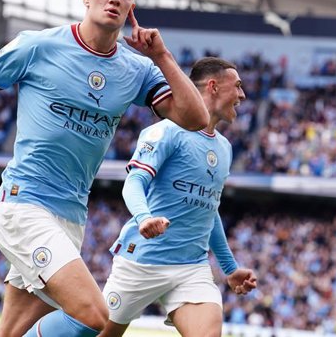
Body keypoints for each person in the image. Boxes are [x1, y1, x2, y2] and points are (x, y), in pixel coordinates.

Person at [0, 0, 209, 337]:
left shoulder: (137, 69)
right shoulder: (39, 45)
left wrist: (162, 56)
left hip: (71, 217)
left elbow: (195, 119)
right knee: (95, 318)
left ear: (132, 9)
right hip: (24, 204)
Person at [100, 57, 257, 337]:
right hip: (143, 261)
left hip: (190, 268)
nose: (242, 95)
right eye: (238, 86)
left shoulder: (224, 148)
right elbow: (133, 182)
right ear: (213, 86)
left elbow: (209, 210)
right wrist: (144, 218)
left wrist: (229, 268)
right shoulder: (167, 131)